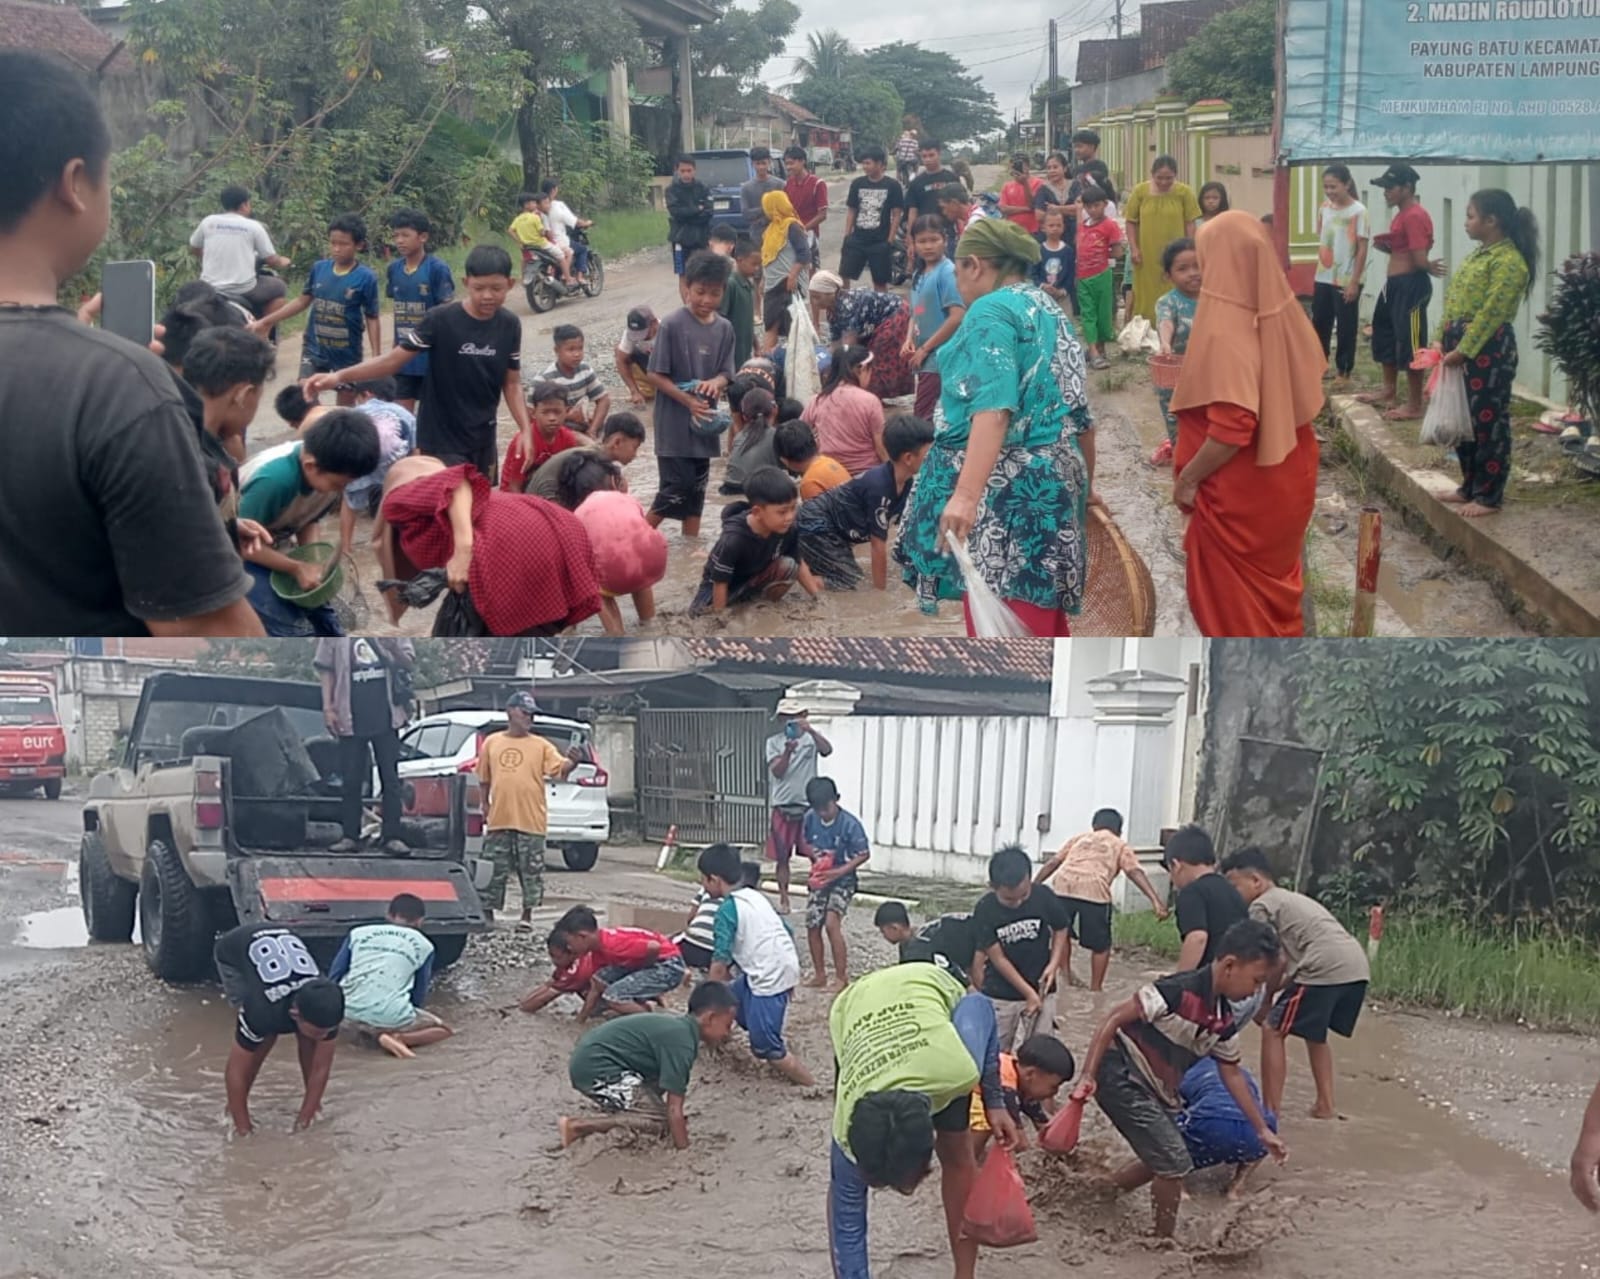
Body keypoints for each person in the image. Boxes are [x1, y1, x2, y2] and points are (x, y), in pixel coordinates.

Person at [0, 52, 262, 637]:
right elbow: (207, 634)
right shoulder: (118, 388)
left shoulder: (106, 380)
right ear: (74, 183)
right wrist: (96, 369)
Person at [895, 218, 1095, 639]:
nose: (957, 283)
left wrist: (966, 496)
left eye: (957, 272)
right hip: (1056, 481)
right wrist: (1086, 490)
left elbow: (993, 407)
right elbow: (1080, 415)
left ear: (973, 264)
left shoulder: (991, 310)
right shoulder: (1048, 308)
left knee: (1005, 635)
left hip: (1010, 497)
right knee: (1040, 618)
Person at [1072, 919, 1288, 1238]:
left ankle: (1098, 1194)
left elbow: (1232, 1074)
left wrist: (1262, 1130)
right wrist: (1088, 1075)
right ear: (1230, 965)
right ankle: (1162, 1243)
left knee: (1165, 1157)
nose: (1256, 991)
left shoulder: (1222, 1020)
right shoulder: (1175, 990)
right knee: (1173, 1162)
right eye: (1257, 981)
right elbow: (1112, 1018)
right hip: (1121, 1072)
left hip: (1156, 1089)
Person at [1169, 212, 1325, 638]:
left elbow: (1232, 428)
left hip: (1241, 500)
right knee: (1273, 602)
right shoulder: (1280, 311)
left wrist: (1187, 480)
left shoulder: (1225, 327)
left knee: (1238, 616)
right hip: (1286, 481)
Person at [827, 963, 1016, 1279]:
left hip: (927, 989)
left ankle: (965, 1274)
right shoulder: (846, 1130)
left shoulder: (957, 1069)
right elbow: (846, 1223)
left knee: (958, 1154)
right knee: (844, 1188)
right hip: (853, 1005)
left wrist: (994, 1100)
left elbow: (978, 1006)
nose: (905, 1193)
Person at [304, 245, 531, 482]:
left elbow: (512, 383)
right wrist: (338, 376)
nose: (487, 296)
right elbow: (392, 362)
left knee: (481, 497)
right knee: (451, 497)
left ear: (510, 284)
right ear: (466, 283)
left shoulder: (509, 324)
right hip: (441, 438)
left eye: (496, 288)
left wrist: (525, 429)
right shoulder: (440, 319)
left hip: (483, 435)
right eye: (479, 288)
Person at [375, 455, 602, 636]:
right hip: (560, 529)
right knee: (534, 626)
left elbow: (456, 482)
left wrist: (463, 551)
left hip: (514, 546)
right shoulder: (432, 515)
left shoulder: (400, 498)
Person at [1222, 847, 1372, 1120]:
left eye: (1234, 886)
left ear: (1256, 881)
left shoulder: (1261, 906)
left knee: (1272, 1029)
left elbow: (1273, 960)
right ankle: (1325, 1106)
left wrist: (1265, 1002)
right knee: (1315, 1034)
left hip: (1323, 967)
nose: (1233, 894)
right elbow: (1290, 965)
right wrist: (1277, 991)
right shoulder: (1290, 899)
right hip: (1355, 966)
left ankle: (1270, 1112)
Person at [1436, 188, 1539, 518]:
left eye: (1470, 216)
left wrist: (1464, 350)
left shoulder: (1509, 263)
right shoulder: (1477, 256)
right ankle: (1468, 486)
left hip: (1488, 352)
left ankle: (1488, 495)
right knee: (1463, 420)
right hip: (1459, 349)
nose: (1465, 222)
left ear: (1491, 220)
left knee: (1488, 422)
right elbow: (1454, 301)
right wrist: (1440, 340)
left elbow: (1491, 314)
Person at [237, 410, 381, 635]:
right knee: (288, 627)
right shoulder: (275, 481)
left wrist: (311, 559)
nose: (342, 490)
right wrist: (296, 567)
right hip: (232, 555)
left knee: (327, 621)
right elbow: (239, 543)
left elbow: (308, 519)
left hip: (270, 543)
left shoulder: (328, 474)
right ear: (311, 466)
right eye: (339, 484)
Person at [559, 979, 738, 1149]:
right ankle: (578, 1127)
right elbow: (674, 1109)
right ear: (710, 1018)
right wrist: (684, 1152)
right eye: (727, 1025)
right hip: (595, 1067)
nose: (727, 1034)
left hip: (595, 1061)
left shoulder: (679, 1029)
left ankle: (623, 1114)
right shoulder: (682, 1043)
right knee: (658, 1121)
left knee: (657, 1104)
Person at [698, 842, 815, 1084]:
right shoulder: (754, 897)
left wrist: (706, 999)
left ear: (714, 879)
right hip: (779, 967)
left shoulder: (726, 911)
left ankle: (810, 1085)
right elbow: (787, 930)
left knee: (764, 1046)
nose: (702, 885)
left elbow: (720, 961)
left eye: (703, 879)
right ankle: (723, 1043)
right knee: (731, 999)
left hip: (768, 977)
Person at [213, 923, 345, 1136]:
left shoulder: (328, 1003)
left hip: (284, 940)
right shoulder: (261, 1010)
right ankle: (234, 1108)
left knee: (309, 1042)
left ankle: (312, 1108)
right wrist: (244, 1130)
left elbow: (321, 1067)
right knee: (262, 1039)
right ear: (295, 1014)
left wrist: (304, 1121)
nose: (324, 1036)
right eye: (319, 1031)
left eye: (327, 1031)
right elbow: (234, 1071)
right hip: (233, 951)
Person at [646, 250, 736, 539]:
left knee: (696, 491)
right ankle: (637, 536)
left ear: (723, 291)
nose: (706, 300)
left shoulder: (725, 328)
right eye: (700, 292)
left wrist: (715, 383)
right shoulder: (672, 324)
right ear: (687, 287)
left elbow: (727, 373)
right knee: (675, 490)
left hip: (704, 424)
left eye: (714, 293)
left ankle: (691, 547)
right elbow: (654, 374)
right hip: (673, 425)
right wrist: (688, 401)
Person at [1033, 808, 1169, 992]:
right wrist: (1155, 901)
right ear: (1119, 830)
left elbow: (1053, 863)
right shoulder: (1119, 845)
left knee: (1061, 931)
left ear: (1094, 826)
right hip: (1094, 890)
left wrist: (1033, 886)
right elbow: (1134, 871)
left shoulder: (1079, 839)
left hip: (1063, 885)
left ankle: (1066, 976)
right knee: (1101, 946)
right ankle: (1096, 989)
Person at [797, 413, 934, 590]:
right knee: (850, 583)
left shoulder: (906, 483)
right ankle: (801, 578)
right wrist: (880, 595)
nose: (934, 458)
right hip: (815, 523)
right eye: (929, 454)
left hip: (832, 530)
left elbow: (911, 529)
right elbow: (878, 546)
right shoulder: (880, 487)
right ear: (908, 458)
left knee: (850, 577)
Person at [478, 690, 578, 927]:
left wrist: (573, 763)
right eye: (525, 713)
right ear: (510, 712)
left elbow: (559, 768)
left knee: (530, 870)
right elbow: (484, 778)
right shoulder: (492, 742)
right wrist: (484, 804)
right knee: (494, 868)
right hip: (500, 818)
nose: (529, 718)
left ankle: (526, 916)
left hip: (530, 818)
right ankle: (488, 913)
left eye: (532, 715)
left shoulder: (541, 745)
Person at [251, 214, 379, 389]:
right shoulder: (319, 269)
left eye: (343, 244)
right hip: (314, 348)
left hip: (347, 352)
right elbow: (301, 301)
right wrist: (266, 321)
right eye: (333, 243)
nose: (336, 249)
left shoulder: (366, 277)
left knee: (346, 401)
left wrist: (377, 358)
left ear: (359, 245)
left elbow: (372, 317)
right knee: (305, 392)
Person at [314, 637, 414, 854]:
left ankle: (392, 836)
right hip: (349, 715)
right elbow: (325, 668)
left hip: (387, 715)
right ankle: (350, 836)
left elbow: (408, 663)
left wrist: (392, 647)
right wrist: (328, 708)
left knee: (391, 779)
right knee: (351, 780)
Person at [327, 892, 451, 1059]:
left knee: (355, 1019)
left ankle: (368, 1033)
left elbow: (335, 975)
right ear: (420, 921)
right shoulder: (425, 945)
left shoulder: (358, 933)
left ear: (389, 915)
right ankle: (400, 1038)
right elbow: (419, 993)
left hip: (345, 1011)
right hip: (390, 1016)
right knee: (444, 1030)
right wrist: (408, 1012)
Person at [970, 844, 1071, 1049]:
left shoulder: (1043, 896)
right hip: (1002, 992)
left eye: (1024, 895)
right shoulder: (985, 909)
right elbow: (998, 958)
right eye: (1009, 899)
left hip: (1042, 987)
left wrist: (1054, 964)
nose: (1018, 903)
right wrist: (1028, 993)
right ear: (993, 886)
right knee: (997, 1049)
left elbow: (1061, 927)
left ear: (1029, 879)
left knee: (1040, 1049)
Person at [558, 452, 667, 635]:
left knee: (593, 583)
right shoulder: (627, 499)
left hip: (614, 573)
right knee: (637, 559)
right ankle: (649, 623)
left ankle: (616, 632)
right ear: (612, 481)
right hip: (654, 560)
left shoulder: (578, 514)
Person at [691, 465, 823, 615]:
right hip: (722, 590)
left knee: (789, 565)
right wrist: (720, 617)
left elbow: (798, 563)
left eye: (793, 508)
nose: (790, 517)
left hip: (753, 580)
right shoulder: (734, 539)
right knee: (703, 614)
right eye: (782, 512)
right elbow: (720, 582)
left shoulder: (788, 528)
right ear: (757, 512)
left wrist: (817, 598)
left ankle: (763, 609)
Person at [1359, 163, 1435, 422]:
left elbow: (1420, 257)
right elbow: (1406, 248)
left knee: (1411, 341)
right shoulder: (1402, 214)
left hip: (1410, 284)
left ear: (1407, 188)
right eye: (1384, 187)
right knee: (1384, 332)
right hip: (1394, 284)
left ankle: (1414, 404)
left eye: (1390, 187)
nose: (1386, 192)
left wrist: (1428, 265)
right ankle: (1388, 390)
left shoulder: (1414, 215)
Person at [549, 904, 688, 1019]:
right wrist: (581, 1019)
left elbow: (654, 947)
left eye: (569, 944)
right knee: (599, 979)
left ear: (582, 937)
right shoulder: (598, 949)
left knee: (614, 997)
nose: (569, 949)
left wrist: (642, 970)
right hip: (652, 959)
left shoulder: (613, 945)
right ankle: (641, 1003)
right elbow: (597, 985)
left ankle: (654, 1021)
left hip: (668, 965)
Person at [798, 775, 871, 989]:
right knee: (812, 924)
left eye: (826, 808)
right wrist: (816, 858)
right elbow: (805, 842)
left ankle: (841, 976)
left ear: (836, 799)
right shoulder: (810, 818)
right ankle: (820, 974)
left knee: (832, 923)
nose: (822, 813)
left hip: (843, 879)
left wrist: (838, 871)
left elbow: (863, 854)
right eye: (818, 809)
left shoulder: (850, 824)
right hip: (821, 876)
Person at [763, 700, 834, 917]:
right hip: (782, 803)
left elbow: (827, 750)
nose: (790, 721)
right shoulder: (774, 742)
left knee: (816, 853)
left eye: (794, 716)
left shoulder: (812, 739)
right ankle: (784, 897)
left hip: (808, 804)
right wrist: (787, 752)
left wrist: (810, 730)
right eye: (786, 717)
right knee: (782, 856)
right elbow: (777, 772)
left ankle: (818, 893)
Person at [1174, 1055, 1279, 1198]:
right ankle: (1237, 1185)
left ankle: (1180, 1188)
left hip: (1210, 1125)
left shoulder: (1185, 1072)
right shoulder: (1240, 1073)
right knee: (1268, 1123)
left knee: (1164, 1130)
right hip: (1251, 1133)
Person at [336, 378, 417, 562]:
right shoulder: (404, 413)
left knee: (349, 503)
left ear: (367, 394)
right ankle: (399, 544)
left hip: (360, 463)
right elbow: (415, 448)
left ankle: (346, 549)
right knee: (396, 503)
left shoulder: (355, 413)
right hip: (392, 465)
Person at [384, 208, 454, 412]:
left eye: (405, 235)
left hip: (430, 356)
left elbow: (446, 313)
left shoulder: (437, 269)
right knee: (402, 413)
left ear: (422, 237)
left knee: (430, 414)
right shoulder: (394, 269)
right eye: (396, 235)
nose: (399, 241)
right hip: (403, 354)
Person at [807, 272, 914, 401]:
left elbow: (848, 346)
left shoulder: (847, 306)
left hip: (895, 315)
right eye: (812, 297)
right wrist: (821, 359)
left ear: (831, 293)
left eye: (817, 297)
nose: (814, 302)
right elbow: (835, 342)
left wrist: (835, 372)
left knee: (875, 358)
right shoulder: (832, 310)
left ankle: (874, 397)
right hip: (875, 323)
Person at [190, 185, 292, 319]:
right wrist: (283, 261)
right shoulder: (254, 226)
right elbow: (271, 260)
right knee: (280, 287)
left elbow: (194, 248)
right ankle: (263, 327)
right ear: (244, 205)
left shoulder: (208, 221)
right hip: (242, 289)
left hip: (209, 287)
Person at [968, 1033, 1076, 1159]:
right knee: (986, 1122)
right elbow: (1019, 1142)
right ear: (1030, 1074)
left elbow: (1042, 1123)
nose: (1055, 1092)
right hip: (967, 1095)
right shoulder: (1006, 1088)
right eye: (1054, 1086)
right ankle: (969, 1160)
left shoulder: (1021, 1078)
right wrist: (1034, 1153)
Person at [1311, 166, 1371, 389]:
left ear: (1347, 184)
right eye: (1326, 187)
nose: (1329, 191)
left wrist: (1354, 280)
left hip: (1347, 277)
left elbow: (1362, 248)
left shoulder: (1359, 211)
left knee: (1346, 325)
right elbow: (1323, 238)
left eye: (1333, 186)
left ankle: (1344, 370)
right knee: (1320, 322)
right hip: (1324, 274)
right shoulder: (1324, 208)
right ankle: (1320, 364)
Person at [1124, 156, 1201, 324]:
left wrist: (1191, 249)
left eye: (1169, 178)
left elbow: (1190, 222)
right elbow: (1130, 221)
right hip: (1147, 253)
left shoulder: (1184, 193)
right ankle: (1147, 326)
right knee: (1145, 291)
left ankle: (1175, 324)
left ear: (1175, 175)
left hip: (1176, 253)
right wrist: (1134, 248)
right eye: (1159, 177)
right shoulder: (1140, 192)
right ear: (1152, 174)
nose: (1164, 182)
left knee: (1174, 284)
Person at [1164, 825, 1250, 971]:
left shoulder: (1191, 893)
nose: (1172, 879)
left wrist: (1180, 978)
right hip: (1239, 970)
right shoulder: (1231, 890)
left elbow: (1197, 938)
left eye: (1170, 871)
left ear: (1176, 865)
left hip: (1212, 974)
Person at [906, 214, 965, 419]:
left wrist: (925, 348)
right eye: (922, 241)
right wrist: (908, 340)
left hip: (940, 356)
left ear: (945, 240)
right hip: (924, 355)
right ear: (914, 244)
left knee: (924, 415)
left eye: (934, 240)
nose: (928, 246)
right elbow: (916, 311)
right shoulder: (919, 273)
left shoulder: (947, 272)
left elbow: (957, 317)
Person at [1150, 236, 1201, 465]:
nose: (1193, 273)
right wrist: (1165, 343)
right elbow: (1166, 322)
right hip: (1174, 378)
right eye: (1183, 269)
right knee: (1177, 425)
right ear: (1168, 275)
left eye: (1198, 265)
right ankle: (1181, 461)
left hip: (1208, 375)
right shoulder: (1168, 302)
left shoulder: (1215, 298)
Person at [521, 410, 644, 501]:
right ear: (617, 442)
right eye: (635, 447)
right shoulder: (593, 464)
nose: (636, 454)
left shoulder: (595, 455)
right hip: (542, 499)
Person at [802, 344, 886, 476]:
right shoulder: (870, 401)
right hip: (866, 475)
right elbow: (881, 448)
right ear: (863, 369)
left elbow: (800, 432)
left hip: (829, 474)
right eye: (870, 371)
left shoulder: (817, 400)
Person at [500, 380, 585, 495]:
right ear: (533, 413)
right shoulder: (524, 442)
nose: (552, 418)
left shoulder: (567, 438)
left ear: (567, 412)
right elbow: (514, 486)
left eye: (557, 412)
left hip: (546, 486)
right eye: (545, 412)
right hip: (517, 493)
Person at [840, 144, 904, 293]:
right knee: (844, 275)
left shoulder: (893, 186)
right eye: (863, 163)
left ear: (880, 164)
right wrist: (847, 236)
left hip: (880, 242)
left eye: (868, 163)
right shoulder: (857, 184)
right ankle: (844, 303)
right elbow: (852, 211)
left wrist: (890, 240)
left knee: (880, 282)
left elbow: (896, 215)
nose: (864, 167)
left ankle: (881, 306)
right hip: (857, 239)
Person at [1076, 184, 1125, 369]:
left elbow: (1118, 252)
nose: (1092, 210)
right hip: (1082, 277)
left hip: (1102, 275)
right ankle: (1094, 352)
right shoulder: (1083, 226)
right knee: (1088, 314)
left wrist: (1102, 253)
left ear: (1105, 204)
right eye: (1088, 206)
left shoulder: (1109, 226)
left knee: (1103, 314)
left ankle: (1099, 349)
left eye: (1096, 205)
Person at [759, 189, 812, 355]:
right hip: (772, 284)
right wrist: (763, 280)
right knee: (770, 324)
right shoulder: (770, 230)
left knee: (793, 327)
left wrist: (793, 275)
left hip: (789, 283)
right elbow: (767, 258)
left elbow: (804, 254)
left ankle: (795, 361)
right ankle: (768, 362)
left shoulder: (792, 226)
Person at [874, 902, 977, 987]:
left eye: (883, 931)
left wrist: (967, 984)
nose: (883, 935)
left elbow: (946, 965)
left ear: (894, 928)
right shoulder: (911, 940)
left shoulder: (918, 948)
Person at [537, 323, 610, 437]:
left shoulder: (585, 370)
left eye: (580, 348)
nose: (577, 354)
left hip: (581, 425)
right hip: (557, 430)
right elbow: (534, 414)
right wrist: (567, 416)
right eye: (570, 349)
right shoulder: (545, 378)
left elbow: (603, 399)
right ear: (557, 351)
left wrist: (593, 429)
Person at [508, 189, 573, 289]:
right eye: (533, 203)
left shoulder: (518, 219)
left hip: (527, 247)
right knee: (561, 256)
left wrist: (519, 241)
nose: (535, 205)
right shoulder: (535, 217)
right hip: (541, 245)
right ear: (526, 205)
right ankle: (568, 279)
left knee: (525, 260)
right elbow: (542, 232)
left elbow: (510, 230)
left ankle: (523, 278)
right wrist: (543, 233)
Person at [666, 155, 713, 292]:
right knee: (683, 275)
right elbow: (676, 213)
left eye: (689, 170)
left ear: (695, 170)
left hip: (701, 238)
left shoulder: (703, 188)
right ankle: (687, 304)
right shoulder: (671, 190)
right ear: (677, 171)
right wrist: (697, 209)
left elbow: (708, 213)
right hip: (680, 239)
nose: (686, 174)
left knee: (703, 274)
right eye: (683, 171)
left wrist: (688, 215)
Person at [775, 418, 850, 502]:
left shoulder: (809, 483)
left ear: (784, 461)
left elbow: (816, 510)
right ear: (815, 442)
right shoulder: (829, 461)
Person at [519, 936, 600, 1014]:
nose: (554, 961)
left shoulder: (574, 973)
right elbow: (549, 983)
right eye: (552, 956)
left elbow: (543, 999)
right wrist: (523, 1002)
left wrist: (522, 1010)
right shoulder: (570, 960)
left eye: (557, 957)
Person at [724, 384, 781, 495]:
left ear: (744, 416)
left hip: (730, 487)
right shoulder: (777, 436)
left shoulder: (739, 436)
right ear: (775, 410)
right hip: (758, 490)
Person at [541, 177, 593, 285]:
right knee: (582, 250)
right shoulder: (558, 206)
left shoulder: (539, 207)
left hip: (543, 242)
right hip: (558, 240)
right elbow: (575, 222)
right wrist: (587, 223)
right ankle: (579, 277)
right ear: (554, 190)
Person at [721, 235, 761, 366]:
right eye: (753, 264)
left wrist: (756, 345)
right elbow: (721, 317)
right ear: (740, 260)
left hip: (744, 351)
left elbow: (748, 322)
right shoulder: (731, 284)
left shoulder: (748, 285)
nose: (757, 268)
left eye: (759, 265)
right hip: (731, 351)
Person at [782, 144, 829, 250]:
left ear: (802, 161)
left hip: (809, 235)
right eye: (786, 164)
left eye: (791, 163)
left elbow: (822, 215)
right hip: (791, 235)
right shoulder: (787, 184)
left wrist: (803, 229)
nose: (788, 167)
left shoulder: (817, 183)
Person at [741, 146, 787, 243]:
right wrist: (768, 208)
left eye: (763, 163)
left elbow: (785, 210)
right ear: (752, 164)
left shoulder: (780, 184)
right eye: (758, 163)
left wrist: (761, 215)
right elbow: (746, 213)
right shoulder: (746, 188)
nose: (761, 167)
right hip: (756, 235)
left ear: (769, 162)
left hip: (778, 234)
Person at [614, 305, 658, 406]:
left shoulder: (667, 330)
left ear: (654, 323)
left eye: (643, 333)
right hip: (648, 364)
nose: (639, 338)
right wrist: (634, 392)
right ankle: (646, 389)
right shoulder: (629, 333)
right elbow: (620, 360)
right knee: (619, 350)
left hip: (668, 368)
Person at [1032, 208, 1073, 313]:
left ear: (1063, 227)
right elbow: (1033, 273)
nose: (1055, 228)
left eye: (1058, 225)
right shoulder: (1038, 250)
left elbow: (1071, 275)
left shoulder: (1068, 251)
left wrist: (1062, 291)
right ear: (1043, 228)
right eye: (1051, 225)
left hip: (1062, 298)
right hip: (1042, 296)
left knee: (1064, 320)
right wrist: (1043, 286)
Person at [904, 140, 957, 220]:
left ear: (939, 154)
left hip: (948, 225)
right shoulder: (916, 182)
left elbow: (959, 205)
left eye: (931, 155)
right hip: (924, 225)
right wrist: (910, 228)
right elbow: (913, 210)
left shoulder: (951, 178)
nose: (928, 159)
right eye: (924, 156)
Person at [999, 154, 1043, 235]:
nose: (1017, 169)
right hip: (1012, 231)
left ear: (1028, 166)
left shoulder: (1038, 183)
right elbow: (1003, 209)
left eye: (1020, 165)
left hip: (1033, 231)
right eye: (1014, 166)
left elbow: (1033, 205)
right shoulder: (1007, 186)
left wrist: (1025, 183)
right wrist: (1026, 209)